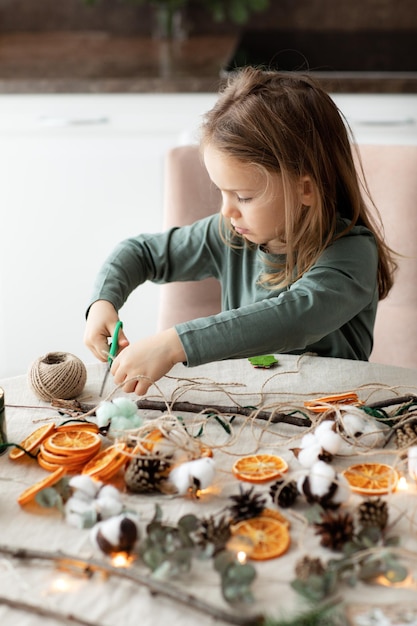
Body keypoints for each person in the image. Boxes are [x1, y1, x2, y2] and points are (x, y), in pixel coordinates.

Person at [84, 67, 396, 396]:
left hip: (334, 419)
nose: (227, 211)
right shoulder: (230, 232)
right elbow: (141, 253)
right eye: (222, 192)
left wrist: (174, 343)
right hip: (247, 407)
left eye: (243, 197)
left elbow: (295, 318)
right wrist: (102, 302)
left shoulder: (353, 253)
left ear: (305, 189)